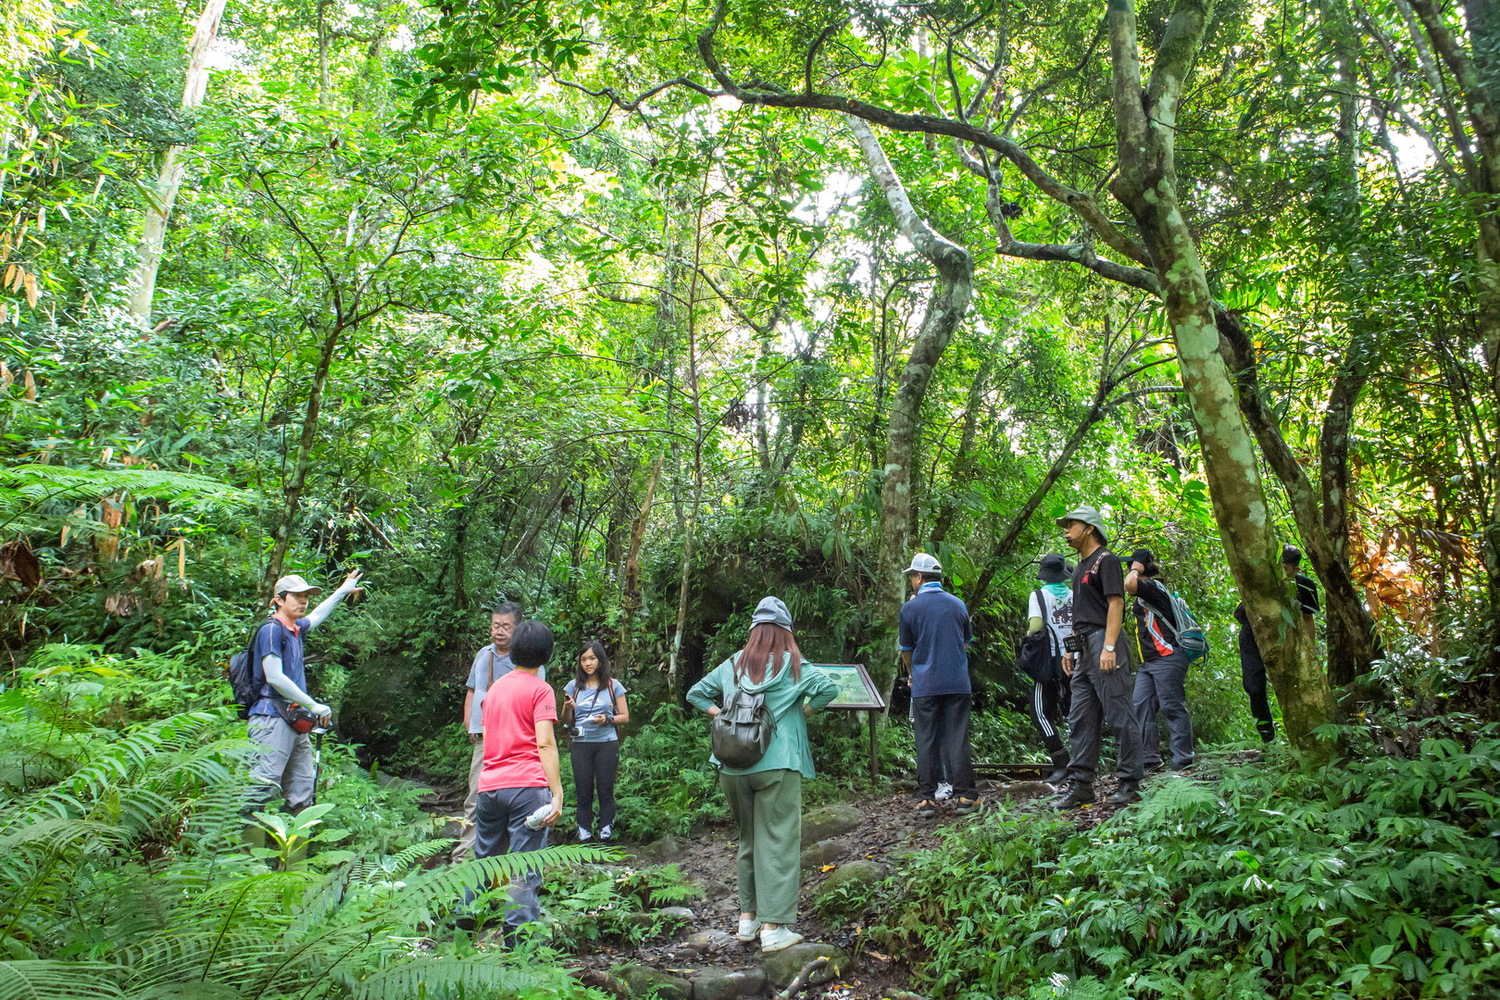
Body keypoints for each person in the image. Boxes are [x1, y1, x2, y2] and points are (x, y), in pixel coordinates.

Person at [686, 597, 837, 954]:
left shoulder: (734, 663)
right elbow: (829, 689)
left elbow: (696, 694)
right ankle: (773, 929)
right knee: (779, 841)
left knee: (749, 840)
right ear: (786, 632)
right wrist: (805, 709)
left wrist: (722, 715)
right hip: (777, 762)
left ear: (754, 631)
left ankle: (747, 920)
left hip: (732, 764)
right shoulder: (794, 664)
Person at [465, 619, 564, 940]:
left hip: (489, 785)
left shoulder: (495, 691)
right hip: (527, 788)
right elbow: (545, 743)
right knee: (524, 865)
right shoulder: (541, 689)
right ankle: (518, 945)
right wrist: (557, 793)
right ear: (547, 654)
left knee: (485, 862)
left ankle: (465, 926)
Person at [246, 570, 361, 815]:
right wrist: (314, 705)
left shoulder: (295, 628)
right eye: (296, 596)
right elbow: (274, 676)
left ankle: (289, 850)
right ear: (278, 599)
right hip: (271, 718)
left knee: (302, 791)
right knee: (260, 788)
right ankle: (245, 850)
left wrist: (342, 590)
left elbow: (317, 615)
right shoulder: (271, 630)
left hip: (295, 719)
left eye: (306, 596)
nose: (303, 601)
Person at [1053, 506, 1145, 809]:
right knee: (1080, 718)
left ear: (1090, 528)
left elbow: (1115, 604)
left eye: (1072, 526)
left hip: (1104, 642)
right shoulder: (1079, 566)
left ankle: (1130, 784)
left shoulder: (1105, 561)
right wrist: (1070, 648)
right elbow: (1082, 613)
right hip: (1083, 648)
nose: (1067, 532)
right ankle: (1081, 785)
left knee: (1119, 714)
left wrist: (1108, 647)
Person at [899, 553, 980, 819]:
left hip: (925, 684)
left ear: (919, 577)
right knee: (957, 737)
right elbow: (965, 643)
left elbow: (906, 650)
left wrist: (913, 673)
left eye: (912, 576)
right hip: (957, 682)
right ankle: (966, 796)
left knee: (926, 738)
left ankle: (926, 800)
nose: (912, 580)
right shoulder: (958, 605)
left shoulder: (910, 609)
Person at [454, 602, 531, 862]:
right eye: (496, 625)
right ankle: (463, 858)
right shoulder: (483, 654)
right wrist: (470, 721)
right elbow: (472, 690)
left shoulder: (527, 659)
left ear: (517, 628)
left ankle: (503, 859)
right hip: (484, 740)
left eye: (506, 627)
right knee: (476, 796)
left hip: (515, 742)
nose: (499, 631)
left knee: (509, 798)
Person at [1234, 544, 1319, 743]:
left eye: (1286, 569)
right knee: (1253, 687)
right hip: (1252, 636)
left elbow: (1308, 618)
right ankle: (1267, 738)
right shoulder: (1258, 582)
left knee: (1293, 685)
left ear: (1296, 569)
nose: (1281, 572)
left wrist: (1310, 647)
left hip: (1287, 638)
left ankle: (1300, 736)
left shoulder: (1305, 586)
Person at [1125, 549, 1196, 774]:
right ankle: (1150, 759)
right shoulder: (1148, 591)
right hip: (1149, 663)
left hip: (1168, 657)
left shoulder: (1152, 587)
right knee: (1140, 707)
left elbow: (1129, 586)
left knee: (1172, 707)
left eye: (1131, 565)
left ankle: (1183, 762)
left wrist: (1136, 568)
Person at [561, 640, 629, 842]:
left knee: (605, 790)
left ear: (601, 660)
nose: (587, 663)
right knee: (583, 791)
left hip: (606, 742)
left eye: (592, 658)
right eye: (583, 659)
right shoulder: (573, 686)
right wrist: (568, 708)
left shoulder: (613, 686)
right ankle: (584, 834)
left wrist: (607, 718)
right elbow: (565, 721)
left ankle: (605, 834)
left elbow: (625, 716)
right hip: (580, 744)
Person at [1026, 553, 1074, 785]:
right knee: (1074, 712)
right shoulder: (1075, 596)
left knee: (1039, 712)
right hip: (1075, 660)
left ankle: (1060, 761)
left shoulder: (1038, 596)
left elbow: (1035, 627)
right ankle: (1082, 761)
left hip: (1050, 662)